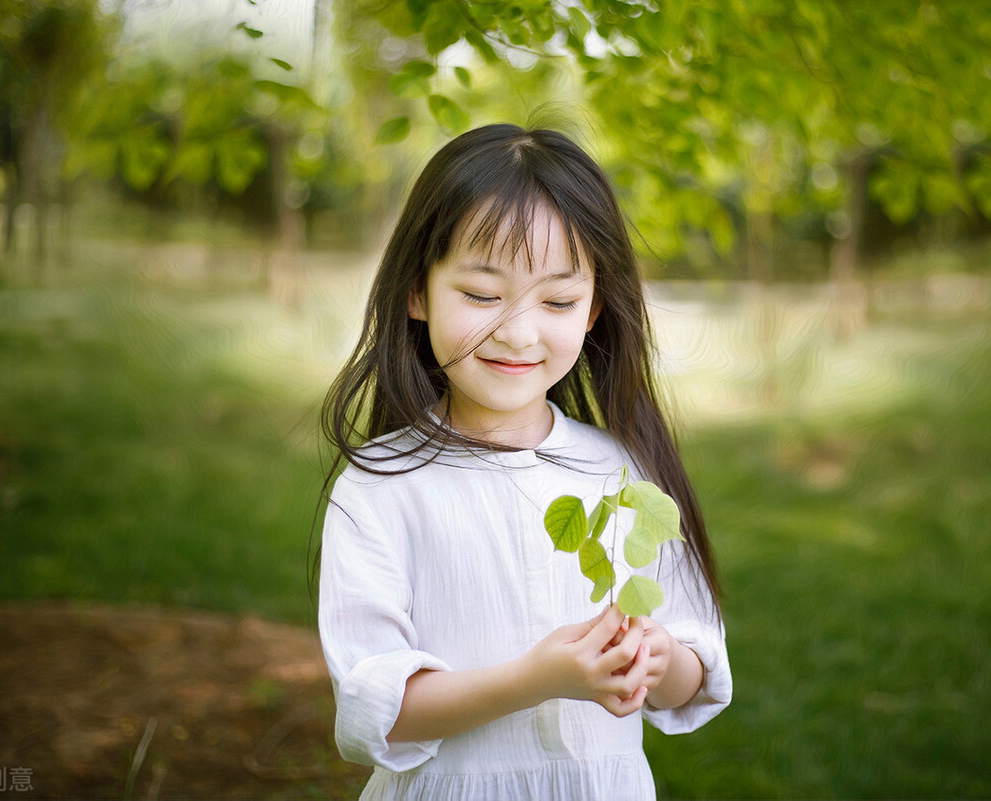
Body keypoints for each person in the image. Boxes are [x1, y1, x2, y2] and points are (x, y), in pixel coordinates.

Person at [312, 123, 732, 800]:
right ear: (417, 292)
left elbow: (695, 675)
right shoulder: (382, 488)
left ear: (594, 309)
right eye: (482, 294)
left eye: (558, 301)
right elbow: (375, 712)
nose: (518, 330)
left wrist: (656, 655)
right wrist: (536, 679)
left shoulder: (624, 471)